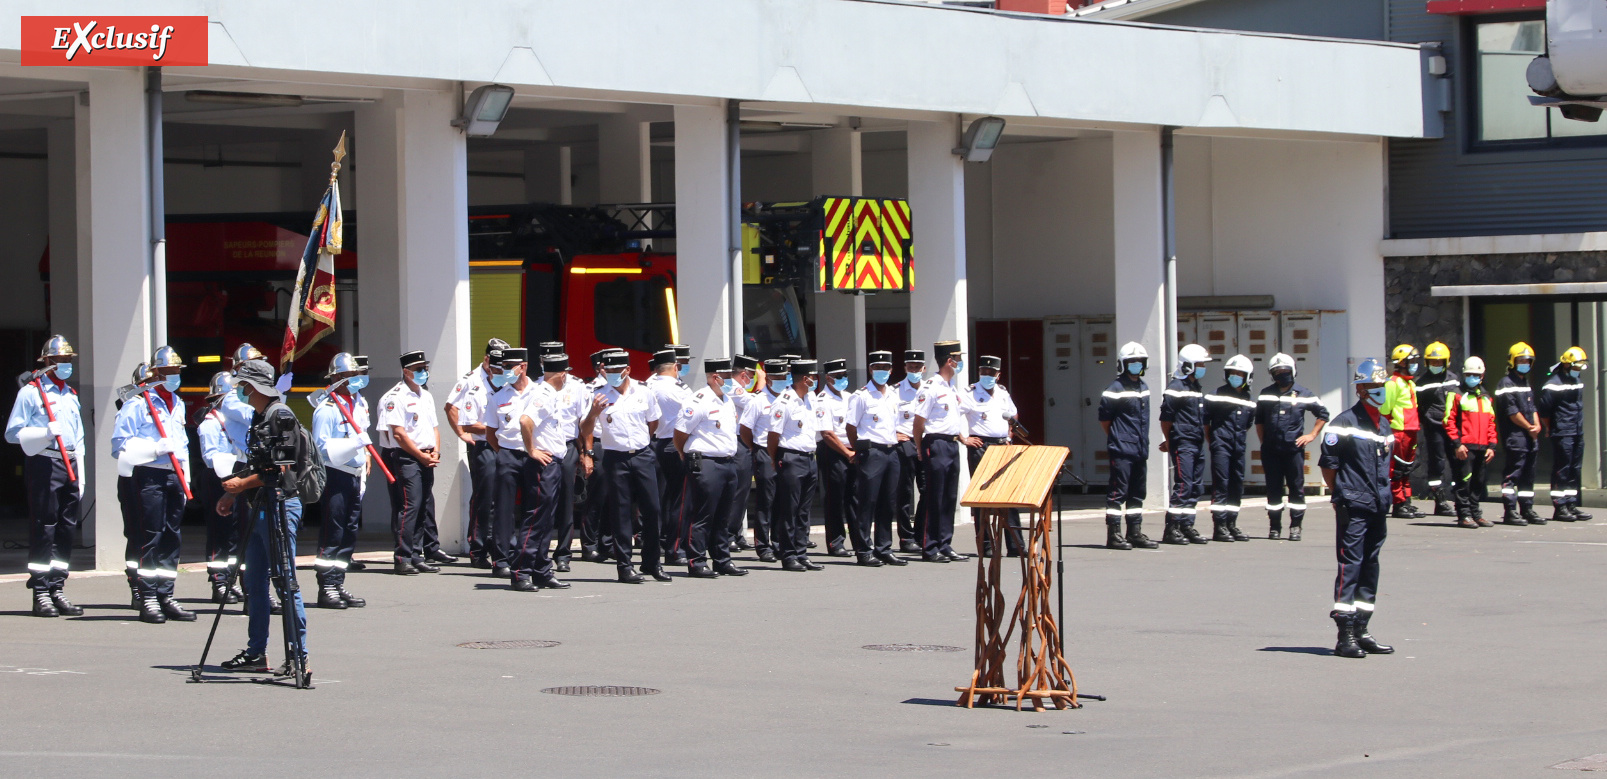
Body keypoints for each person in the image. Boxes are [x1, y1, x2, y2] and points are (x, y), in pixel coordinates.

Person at [217, 359, 311, 675]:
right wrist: (234, 493)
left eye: (245, 385)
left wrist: (241, 484)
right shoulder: (260, 417)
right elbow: (258, 462)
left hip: (281, 505)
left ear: (257, 387)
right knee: (254, 583)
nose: (242, 390)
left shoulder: (280, 416)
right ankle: (257, 652)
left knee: (286, 582)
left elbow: (280, 468)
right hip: (260, 506)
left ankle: (298, 656)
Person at [110, 345, 194, 624]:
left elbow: (181, 443)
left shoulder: (178, 403)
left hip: (174, 475)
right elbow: (119, 445)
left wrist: (186, 474)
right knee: (150, 536)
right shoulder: (138, 403)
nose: (174, 376)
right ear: (155, 373)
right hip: (149, 474)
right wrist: (155, 447)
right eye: (169, 371)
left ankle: (166, 594)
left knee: (172, 536)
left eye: (177, 371)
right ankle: (147, 597)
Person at [1319, 357, 1396, 660]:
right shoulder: (1344, 423)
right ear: (1361, 389)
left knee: (1370, 565)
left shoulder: (1385, 424)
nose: (1381, 390)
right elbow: (1329, 466)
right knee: (1350, 566)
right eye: (1375, 386)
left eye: (1383, 386)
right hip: (1353, 503)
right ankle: (1345, 634)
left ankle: (1362, 628)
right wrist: (1342, 493)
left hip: (1378, 503)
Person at [5, 336, 84, 618]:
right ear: (47, 362)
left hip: (70, 463)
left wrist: (81, 473)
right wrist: (44, 433)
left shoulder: (70, 394)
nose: (66, 365)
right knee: (44, 526)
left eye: (69, 360)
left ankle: (57, 586)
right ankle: (40, 591)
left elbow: (80, 438)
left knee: (65, 529)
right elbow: (12, 434)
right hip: (45, 462)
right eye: (62, 360)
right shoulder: (30, 392)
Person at [582, 350, 671, 583]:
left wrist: (642, 442)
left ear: (627, 370)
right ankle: (624, 566)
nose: (612, 375)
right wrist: (593, 412)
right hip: (615, 458)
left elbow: (653, 421)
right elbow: (586, 428)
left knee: (652, 509)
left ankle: (652, 563)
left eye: (616, 371)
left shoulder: (644, 392)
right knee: (621, 513)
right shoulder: (597, 395)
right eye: (608, 371)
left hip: (642, 455)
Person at [378, 350, 454, 574]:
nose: (424, 373)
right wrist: (420, 456)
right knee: (409, 506)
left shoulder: (425, 395)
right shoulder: (395, 397)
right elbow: (399, 435)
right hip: (406, 456)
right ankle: (402, 556)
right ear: (406, 372)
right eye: (419, 369)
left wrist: (435, 452)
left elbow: (434, 427)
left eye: (425, 368)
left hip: (426, 455)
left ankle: (416, 553)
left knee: (423, 505)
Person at [674, 357, 749, 578]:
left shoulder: (726, 399)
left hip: (727, 462)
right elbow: (680, 433)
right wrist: (683, 454)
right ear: (715, 377)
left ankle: (722, 560)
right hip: (706, 463)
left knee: (723, 515)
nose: (730, 382)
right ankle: (696, 561)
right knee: (702, 514)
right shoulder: (698, 400)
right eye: (726, 378)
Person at [508, 352, 574, 591]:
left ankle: (541, 570)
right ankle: (521, 571)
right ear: (562, 373)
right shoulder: (543, 394)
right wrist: (532, 450)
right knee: (535, 518)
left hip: (552, 463)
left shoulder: (549, 394)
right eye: (566, 373)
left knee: (546, 520)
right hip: (542, 464)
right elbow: (526, 421)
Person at [310, 353, 370, 608]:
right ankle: (326, 586)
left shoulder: (357, 403)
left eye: (355, 376)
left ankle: (338, 581)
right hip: (335, 473)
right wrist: (352, 444)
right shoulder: (327, 409)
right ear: (335, 378)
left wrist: (364, 455)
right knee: (332, 531)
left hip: (354, 474)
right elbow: (320, 447)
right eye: (348, 376)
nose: (354, 381)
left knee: (349, 532)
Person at [445, 338, 508, 569]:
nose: (501, 371)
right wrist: (462, 434)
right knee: (485, 499)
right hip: (484, 446)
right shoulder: (472, 382)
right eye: (496, 365)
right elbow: (452, 408)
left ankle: (501, 547)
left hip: (507, 446)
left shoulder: (508, 380)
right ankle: (479, 548)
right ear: (486, 359)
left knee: (504, 498)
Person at [1255, 352, 1329, 541]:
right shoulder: (1266, 394)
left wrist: (1312, 435)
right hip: (1271, 450)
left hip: (1293, 450)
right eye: (1277, 372)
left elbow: (1323, 413)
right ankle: (1274, 527)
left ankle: (1296, 527)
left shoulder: (1304, 394)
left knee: (1296, 488)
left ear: (1293, 371)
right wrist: (1264, 442)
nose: (1282, 374)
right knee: (1273, 489)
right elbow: (1260, 420)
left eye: (1285, 371)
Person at [912, 342, 974, 563]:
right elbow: (919, 423)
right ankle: (930, 547)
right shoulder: (930, 387)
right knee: (934, 496)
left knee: (949, 497)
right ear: (950, 361)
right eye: (958, 359)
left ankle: (945, 543)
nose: (960, 363)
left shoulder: (951, 387)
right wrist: (920, 449)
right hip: (935, 443)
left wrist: (962, 438)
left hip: (952, 443)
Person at [482, 348, 540, 580]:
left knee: (533, 508)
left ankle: (529, 557)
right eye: (503, 367)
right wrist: (504, 453)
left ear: (523, 367)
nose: (505, 371)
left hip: (533, 455)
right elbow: (490, 433)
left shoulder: (539, 392)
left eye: (509, 367)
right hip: (508, 454)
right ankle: (501, 560)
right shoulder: (498, 396)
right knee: (504, 509)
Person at [846, 351, 907, 567]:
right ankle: (863, 550)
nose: (882, 372)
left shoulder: (893, 394)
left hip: (891, 452)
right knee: (867, 502)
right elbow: (851, 426)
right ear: (871, 370)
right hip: (872, 453)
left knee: (888, 502)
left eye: (886, 368)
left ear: (891, 370)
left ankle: (884, 548)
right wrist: (859, 450)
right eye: (877, 368)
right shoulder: (861, 396)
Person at [962, 355, 1023, 557]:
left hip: (1002, 445)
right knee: (983, 498)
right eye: (983, 372)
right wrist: (964, 439)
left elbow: (1013, 414)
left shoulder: (1003, 393)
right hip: (981, 446)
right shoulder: (970, 393)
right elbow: (953, 415)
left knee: (1008, 497)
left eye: (990, 373)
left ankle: (1015, 545)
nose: (986, 375)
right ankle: (986, 545)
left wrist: (1009, 434)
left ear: (998, 375)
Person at [538, 341, 591, 572]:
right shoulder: (535, 386)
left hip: (569, 446)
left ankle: (563, 554)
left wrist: (585, 453)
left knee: (566, 502)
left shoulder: (577, 386)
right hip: (545, 449)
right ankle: (540, 552)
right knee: (543, 501)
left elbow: (584, 424)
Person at [769, 358, 826, 571]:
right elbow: (773, 436)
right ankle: (788, 555)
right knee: (789, 510)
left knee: (804, 510)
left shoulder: (810, 399)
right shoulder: (784, 401)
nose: (814, 380)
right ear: (804, 378)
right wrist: (776, 459)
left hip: (809, 458)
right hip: (791, 458)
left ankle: (802, 553)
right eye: (812, 377)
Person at [196, 371, 247, 605]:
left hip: (238, 477)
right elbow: (210, 457)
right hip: (218, 478)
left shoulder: (237, 422)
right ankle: (219, 581)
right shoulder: (210, 424)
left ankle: (232, 579)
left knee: (237, 532)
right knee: (220, 531)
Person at [1100, 342, 1155, 550]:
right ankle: (1114, 534)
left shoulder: (1144, 387)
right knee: (1117, 492)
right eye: (1132, 362)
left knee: (1137, 492)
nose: (1136, 365)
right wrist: (1118, 438)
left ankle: (1135, 532)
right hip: (1122, 449)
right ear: (1123, 364)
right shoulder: (1114, 389)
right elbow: (1105, 420)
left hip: (1140, 449)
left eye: (1139, 362)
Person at [1159, 344, 1213, 545]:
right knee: (1183, 485)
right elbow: (1166, 418)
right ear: (1188, 365)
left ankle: (1187, 525)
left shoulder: (1195, 387)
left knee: (1196, 487)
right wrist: (1170, 440)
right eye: (1199, 364)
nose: (1202, 368)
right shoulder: (1176, 388)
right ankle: (1172, 527)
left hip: (1196, 443)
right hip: (1183, 443)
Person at [647, 347, 694, 566]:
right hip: (674, 444)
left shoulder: (647, 384)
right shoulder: (677, 389)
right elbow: (692, 414)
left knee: (657, 500)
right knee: (680, 500)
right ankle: (675, 549)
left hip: (653, 444)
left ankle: (656, 545)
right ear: (675, 367)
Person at [740, 358, 788, 563]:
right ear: (767, 379)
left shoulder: (789, 398)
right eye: (776, 377)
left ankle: (779, 543)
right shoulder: (758, 400)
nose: (780, 381)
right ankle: (763, 545)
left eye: (783, 377)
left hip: (784, 452)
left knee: (782, 500)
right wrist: (754, 448)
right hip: (763, 451)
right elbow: (745, 429)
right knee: (766, 501)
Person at [114, 362, 154, 607]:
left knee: (157, 534)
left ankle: (155, 587)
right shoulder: (133, 407)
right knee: (137, 533)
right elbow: (121, 445)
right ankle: (136, 585)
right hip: (134, 475)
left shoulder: (164, 407)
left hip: (157, 476)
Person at [1205, 354, 1255, 542]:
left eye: (1239, 374)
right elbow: (1206, 422)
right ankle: (1219, 527)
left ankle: (1232, 524)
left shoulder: (1249, 399)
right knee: (1222, 484)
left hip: (1239, 447)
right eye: (1232, 373)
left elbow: (1248, 423)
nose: (1235, 376)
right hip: (1221, 446)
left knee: (1236, 484)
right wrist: (1214, 441)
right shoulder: (1214, 395)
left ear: (1248, 376)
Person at [579, 348, 623, 562]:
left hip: (617, 445)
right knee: (597, 496)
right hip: (598, 444)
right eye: (608, 366)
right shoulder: (590, 389)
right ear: (600, 367)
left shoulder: (623, 388)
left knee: (614, 496)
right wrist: (586, 452)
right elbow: (584, 423)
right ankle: (589, 544)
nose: (613, 370)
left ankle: (607, 543)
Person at [1540, 347, 1592, 522]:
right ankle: (1560, 506)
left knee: (1574, 469)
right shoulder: (1553, 384)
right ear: (1567, 365)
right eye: (1576, 367)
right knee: (1562, 469)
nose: (1579, 370)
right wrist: (1550, 428)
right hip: (1562, 431)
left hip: (1577, 430)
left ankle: (1571, 504)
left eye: (1581, 367)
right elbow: (1545, 411)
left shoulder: (1576, 380)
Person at [1445, 357, 1496, 528]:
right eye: (1469, 374)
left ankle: (1475, 513)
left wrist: (1492, 446)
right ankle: (1464, 514)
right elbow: (1448, 420)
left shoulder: (1486, 397)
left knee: (1478, 482)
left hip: (1482, 446)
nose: (1472, 377)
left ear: (1482, 376)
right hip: (1465, 447)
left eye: (1476, 375)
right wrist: (1457, 444)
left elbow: (1491, 423)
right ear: (1464, 374)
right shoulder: (1457, 394)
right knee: (1463, 481)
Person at [1497, 342, 1543, 525]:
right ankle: (1510, 511)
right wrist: (1529, 428)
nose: (1525, 363)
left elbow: (1532, 408)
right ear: (1512, 361)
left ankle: (1527, 509)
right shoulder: (1506, 383)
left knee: (1528, 475)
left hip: (1530, 438)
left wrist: (1537, 426)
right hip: (1516, 437)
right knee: (1513, 474)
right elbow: (1512, 412)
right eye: (1521, 360)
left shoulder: (1525, 383)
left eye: (1527, 360)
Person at [816, 359, 858, 558]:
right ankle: (835, 542)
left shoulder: (850, 397)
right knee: (835, 498)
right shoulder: (822, 400)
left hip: (852, 451)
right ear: (828, 378)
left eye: (845, 376)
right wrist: (847, 453)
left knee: (855, 497)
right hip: (833, 451)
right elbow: (827, 433)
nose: (843, 379)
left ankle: (859, 539)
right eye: (839, 377)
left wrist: (855, 450)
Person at [1415, 342, 1459, 517]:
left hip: (1453, 428)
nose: (1436, 365)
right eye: (1433, 362)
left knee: (1458, 463)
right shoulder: (1422, 383)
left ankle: (1459, 499)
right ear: (1427, 363)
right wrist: (1427, 421)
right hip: (1434, 428)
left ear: (1447, 362)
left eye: (1439, 362)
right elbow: (1418, 407)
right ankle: (1439, 501)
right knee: (1437, 463)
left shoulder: (1454, 378)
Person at [1382, 344, 1424, 519]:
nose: (1415, 364)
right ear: (1401, 362)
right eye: (1411, 361)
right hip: (1399, 431)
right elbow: (1385, 409)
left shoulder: (1410, 383)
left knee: (1407, 468)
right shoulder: (1393, 383)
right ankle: (1398, 504)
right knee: (1397, 469)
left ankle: (1406, 501)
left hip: (1411, 430)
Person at [894, 350, 928, 554]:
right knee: (904, 492)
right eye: (911, 367)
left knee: (927, 490)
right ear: (905, 368)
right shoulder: (895, 391)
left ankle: (922, 533)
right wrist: (893, 434)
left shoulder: (931, 389)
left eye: (918, 367)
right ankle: (906, 537)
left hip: (926, 443)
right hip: (905, 444)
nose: (914, 370)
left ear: (924, 368)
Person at [726, 354, 760, 552]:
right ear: (744, 375)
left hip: (745, 442)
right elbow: (755, 404)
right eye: (752, 376)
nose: (753, 380)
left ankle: (736, 533)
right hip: (738, 441)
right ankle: (729, 534)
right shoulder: (733, 386)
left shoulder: (738, 388)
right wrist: (763, 384)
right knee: (738, 490)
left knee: (744, 490)